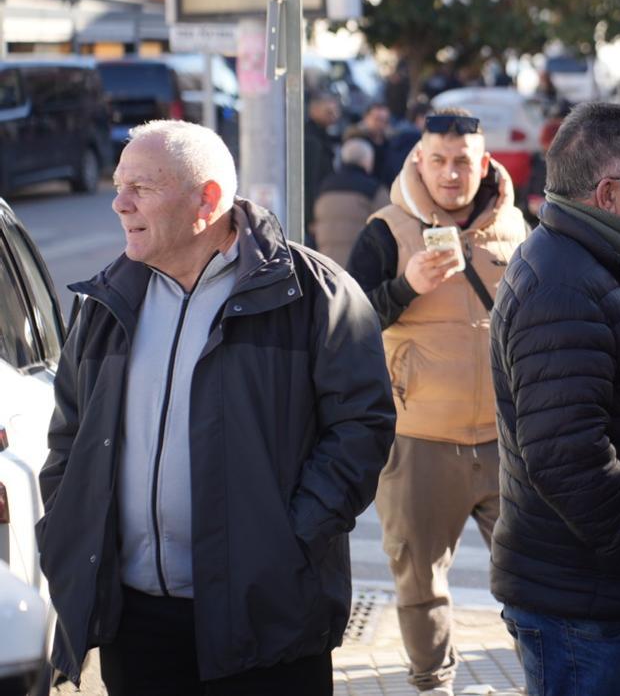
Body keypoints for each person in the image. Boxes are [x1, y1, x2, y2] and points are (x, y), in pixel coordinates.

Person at [36, 120, 395, 695]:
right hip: (136, 623)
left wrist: (289, 540)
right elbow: (69, 437)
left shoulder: (312, 294)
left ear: (208, 199)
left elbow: (362, 429)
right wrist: (68, 530)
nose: (119, 204)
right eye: (118, 184)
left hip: (266, 613)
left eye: (142, 188)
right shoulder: (107, 299)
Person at [489, 102, 620, 696]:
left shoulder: (602, 262)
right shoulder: (563, 283)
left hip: (614, 593)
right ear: (608, 193)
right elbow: (568, 460)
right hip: (588, 606)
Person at [346, 108, 528, 696]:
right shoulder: (385, 229)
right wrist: (407, 287)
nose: (452, 174)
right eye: (440, 160)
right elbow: (347, 326)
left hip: (507, 440)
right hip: (419, 438)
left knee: (534, 574)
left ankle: (545, 675)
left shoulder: (516, 227)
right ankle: (432, 685)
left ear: (485, 164)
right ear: (419, 159)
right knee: (420, 582)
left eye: (464, 162)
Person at [311, 137, 390, 268]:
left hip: (326, 267)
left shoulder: (323, 188)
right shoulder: (375, 190)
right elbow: (388, 227)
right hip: (359, 269)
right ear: (368, 161)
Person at [304, 91, 342, 235]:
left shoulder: (324, 135)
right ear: (314, 111)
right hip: (315, 212)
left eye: (335, 111)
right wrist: (311, 218)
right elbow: (309, 182)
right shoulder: (311, 140)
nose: (334, 116)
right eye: (329, 111)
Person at [344, 102, 406, 189]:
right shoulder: (357, 140)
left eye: (385, 121)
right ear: (366, 118)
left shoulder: (392, 142)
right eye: (377, 119)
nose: (381, 124)